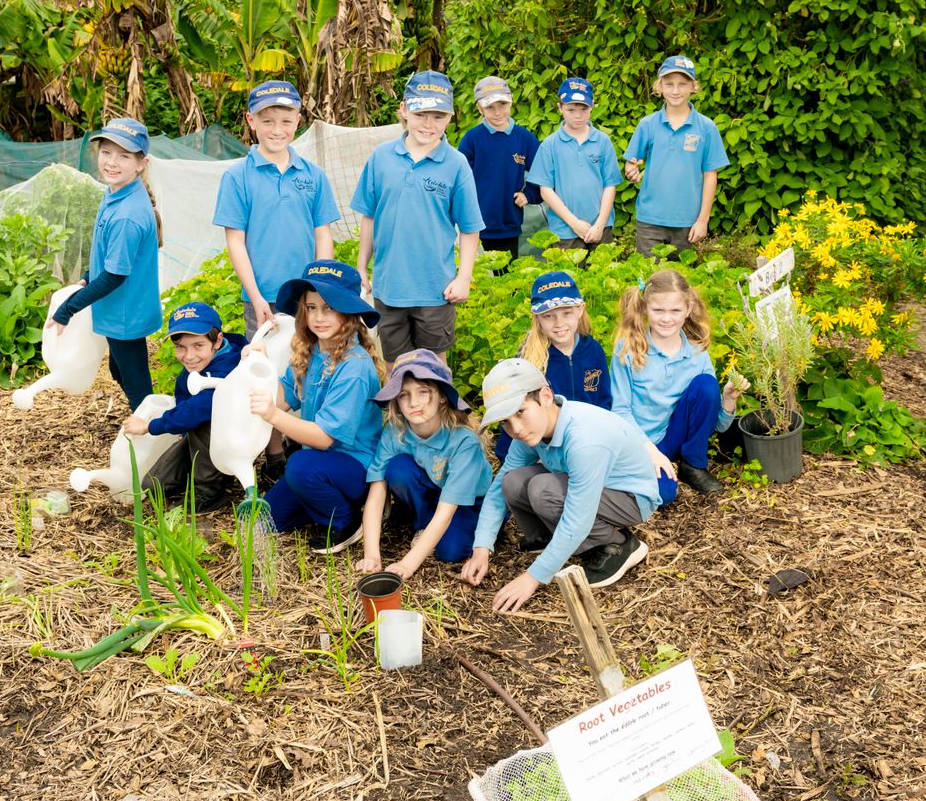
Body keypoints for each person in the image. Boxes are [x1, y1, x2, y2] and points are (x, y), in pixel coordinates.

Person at [463, 358, 670, 612]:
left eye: (520, 412)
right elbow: (498, 488)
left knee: (544, 489)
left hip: (631, 497)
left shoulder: (584, 438)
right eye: (505, 421)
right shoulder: (532, 429)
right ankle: (551, 540)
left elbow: (578, 515)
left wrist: (533, 578)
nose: (515, 428)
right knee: (513, 481)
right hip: (587, 487)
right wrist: (481, 547)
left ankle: (617, 545)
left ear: (546, 396)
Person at [238, 260, 383, 551]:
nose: (319, 317)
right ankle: (320, 499)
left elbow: (323, 437)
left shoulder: (354, 367)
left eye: (329, 308)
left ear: (350, 312)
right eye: (312, 307)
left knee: (300, 467)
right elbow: (282, 398)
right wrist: (259, 365)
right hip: (320, 460)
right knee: (264, 519)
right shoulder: (313, 350)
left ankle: (345, 520)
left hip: (355, 464)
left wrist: (273, 415)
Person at [351, 70, 485, 366]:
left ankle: (439, 413)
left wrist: (464, 277)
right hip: (389, 287)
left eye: (438, 115)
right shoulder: (381, 158)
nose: (428, 123)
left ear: (449, 118)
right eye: (421, 113)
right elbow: (369, 217)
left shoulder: (456, 164)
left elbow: (470, 228)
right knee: (394, 365)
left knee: (434, 366)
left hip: (435, 289)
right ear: (404, 110)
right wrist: (361, 266)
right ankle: (398, 414)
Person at [213, 79, 340, 339]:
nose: (277, 130)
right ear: (251, 120)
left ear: (297, 120)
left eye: (285, 121)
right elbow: (236, 242)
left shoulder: (314, 175)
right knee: (265, 371)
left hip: (306, 295)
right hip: (262, 298)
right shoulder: (237, 177)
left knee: (308, 365)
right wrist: (256, 296)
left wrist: (319, 290)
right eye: (267, 121)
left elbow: (323, 235)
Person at [50, 117, 161, 410]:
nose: (112, 162)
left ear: (141, 163)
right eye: (106, 152)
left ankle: (152, 433)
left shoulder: (127, 214)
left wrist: (67, 309)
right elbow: (107, 253)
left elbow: (114, 276)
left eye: (124, 155)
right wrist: (87, 275)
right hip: (119, 307)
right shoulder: (116, 191)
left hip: (125, 311)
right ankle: (151, 420)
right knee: (118, 370)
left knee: (137, 385)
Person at [609, 269, 749, 496]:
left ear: (688, 309)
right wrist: (650, 452)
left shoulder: (696, 352)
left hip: (674, 435)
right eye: (658, 310)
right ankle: (638, 473)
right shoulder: (629, 350)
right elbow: (620, 411)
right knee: (664, 495)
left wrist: (728, 399)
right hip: (640, 443)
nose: (667, 318)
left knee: (706, 385)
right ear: (645, 308)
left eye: (675, 310)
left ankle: (693, 466)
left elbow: (718, 426)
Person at [357, 350, 493, 579]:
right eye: (403, 395)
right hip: (431, 489)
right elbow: (377, 492)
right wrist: (371, 554)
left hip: (470, 502)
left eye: (423, 392)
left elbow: (447, 510)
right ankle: (424, 524)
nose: (413, 403)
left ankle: (482, 529)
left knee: (450, 551)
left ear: (441, 396)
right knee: (397, 468)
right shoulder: (395, 431)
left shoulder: (463, 441)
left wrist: (407, 565)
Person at [122, 302, 247, 510]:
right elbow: (183, 395)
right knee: (153, 486)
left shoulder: (228, 368)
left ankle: (210, 490)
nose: (188, 356)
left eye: (198, 345)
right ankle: (203, 470)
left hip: (235, 439)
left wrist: (149, 426)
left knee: (199, 421)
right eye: (180, 347)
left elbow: (194, 411)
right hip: (200, 435)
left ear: (217, 340)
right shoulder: (200, 363)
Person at [494, 269, 611, 463]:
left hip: (586, 442)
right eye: (548, 316)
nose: (559, 323)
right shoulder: (529, 358)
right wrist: (507, 458)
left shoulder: (594, 351)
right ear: (536, 317)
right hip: (544, 449)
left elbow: (603, 402)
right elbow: (515, 411)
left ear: (580, 310)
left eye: (567, 313)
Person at [623, 56, 729, 259]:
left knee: (682, 285)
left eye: (682, 84)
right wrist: (631, 170)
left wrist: (702, 220)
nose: (675, 90)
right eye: (669, 84)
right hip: (650, 219)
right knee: (649, 282)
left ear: (693, 86)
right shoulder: (648, 124)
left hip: (688, 222)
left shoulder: (706, 127)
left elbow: (710, 175)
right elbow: (632, 162)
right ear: (659, 86)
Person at [527, 77, 622, 254]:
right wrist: (573, 223)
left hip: (601, 227)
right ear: (560, 108)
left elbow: (610, 185)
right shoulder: (550, 145)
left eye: (583, 109)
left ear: (592, 105)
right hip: (565, 230)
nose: (578, 115)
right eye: (571, 109)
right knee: (570, 279)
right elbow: (545, 190)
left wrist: (600, 224)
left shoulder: (602, 141)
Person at [457, 75, 541, 261]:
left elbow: (543, 171)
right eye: (490, 107)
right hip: (475, 224)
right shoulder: (472, 140)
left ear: (511, 103)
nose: (497, 112)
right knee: (477, 278)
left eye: (502, 105)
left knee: (507, 281)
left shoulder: (524, 138)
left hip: (508, 224)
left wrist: (530, 194)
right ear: (480, 109)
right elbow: (457, 179)